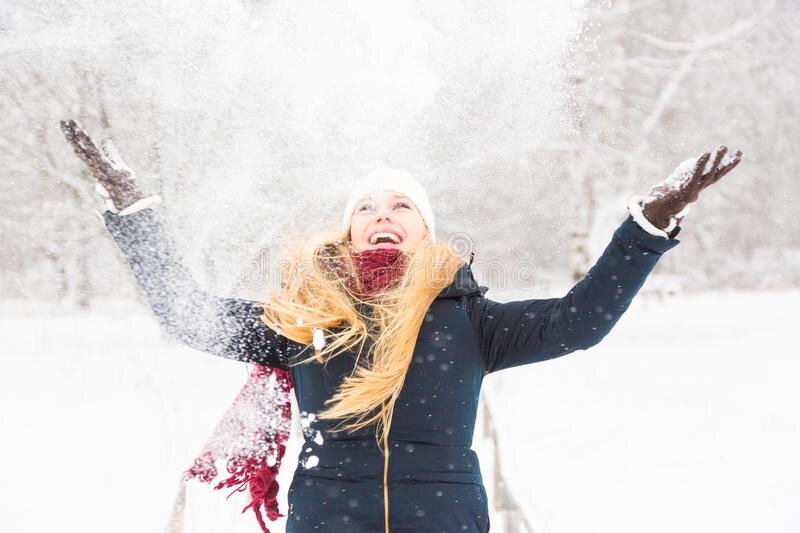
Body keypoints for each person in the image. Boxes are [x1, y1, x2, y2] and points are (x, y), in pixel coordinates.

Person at [60, 119, 741, 533]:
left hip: (444, 519)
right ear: (349, 230)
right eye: (366, 208)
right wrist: (134, 210)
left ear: (424, 230)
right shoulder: (304, 319)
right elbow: (188, 312)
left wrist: (646, 226)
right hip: (327, 517)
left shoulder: (470, 320)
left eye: (402, 206)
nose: (383, 215)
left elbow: (580, 321)